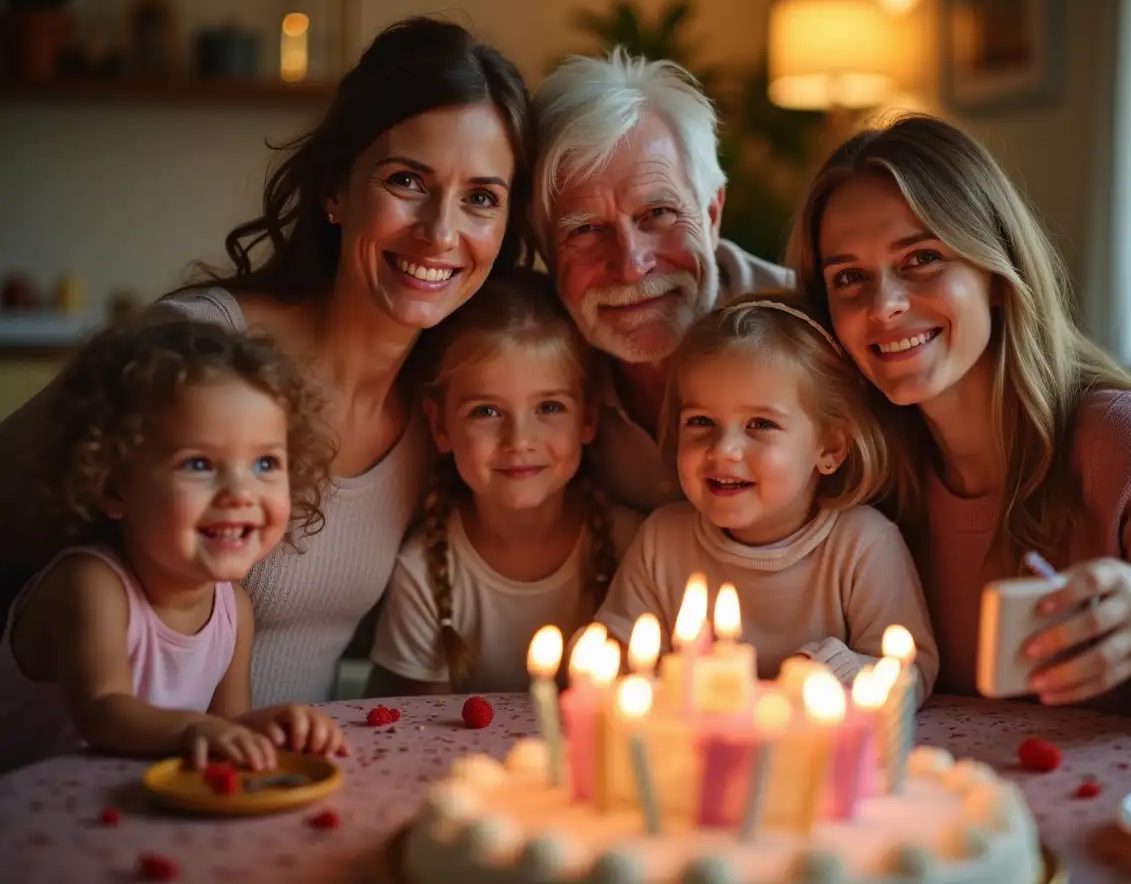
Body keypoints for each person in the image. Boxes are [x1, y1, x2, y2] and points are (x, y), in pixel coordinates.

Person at [0, 17, 536, 706]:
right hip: (84, 786)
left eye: (481, 199)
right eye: (407, 181)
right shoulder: (197, 350)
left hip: (272, 788)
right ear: (335, 190)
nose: (440, 232)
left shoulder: (450, 410)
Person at [789, 113, 1131, 731]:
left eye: (920, 257)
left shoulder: (1124, 442)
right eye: (849, 278)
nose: (883, 305)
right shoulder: (864, 476)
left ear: (996, 274)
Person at [0, 319, 347, 774]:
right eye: (199, 464)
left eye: (265, 462)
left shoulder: (232, 609)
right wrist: (192, 729)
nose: (240, 493)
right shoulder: (89, 585)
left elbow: (227, 727)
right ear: (114, 487)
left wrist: (268, 726)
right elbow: (104, 710)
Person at [594, 292, 939, 695]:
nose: (724, 449)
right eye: (701, 421)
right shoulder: (661, 540)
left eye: (760, 424)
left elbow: (913, 673)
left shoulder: (863, 544)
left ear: (829, 448)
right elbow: (613, 651)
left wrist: (833, 672)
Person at [532, 48, 795, 514]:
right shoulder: (529, 376)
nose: (632, 266)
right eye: (585, 230)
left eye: (658, 213)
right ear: (546, 252)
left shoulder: (816, 331)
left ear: (712, 215)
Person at [366, 269, 643, 695]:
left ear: (587, 417)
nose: (519, 441)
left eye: (549, 407)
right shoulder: (423, 572)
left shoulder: (634, 548)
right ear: (440, 425)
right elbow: (415, 736)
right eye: (486, 412)